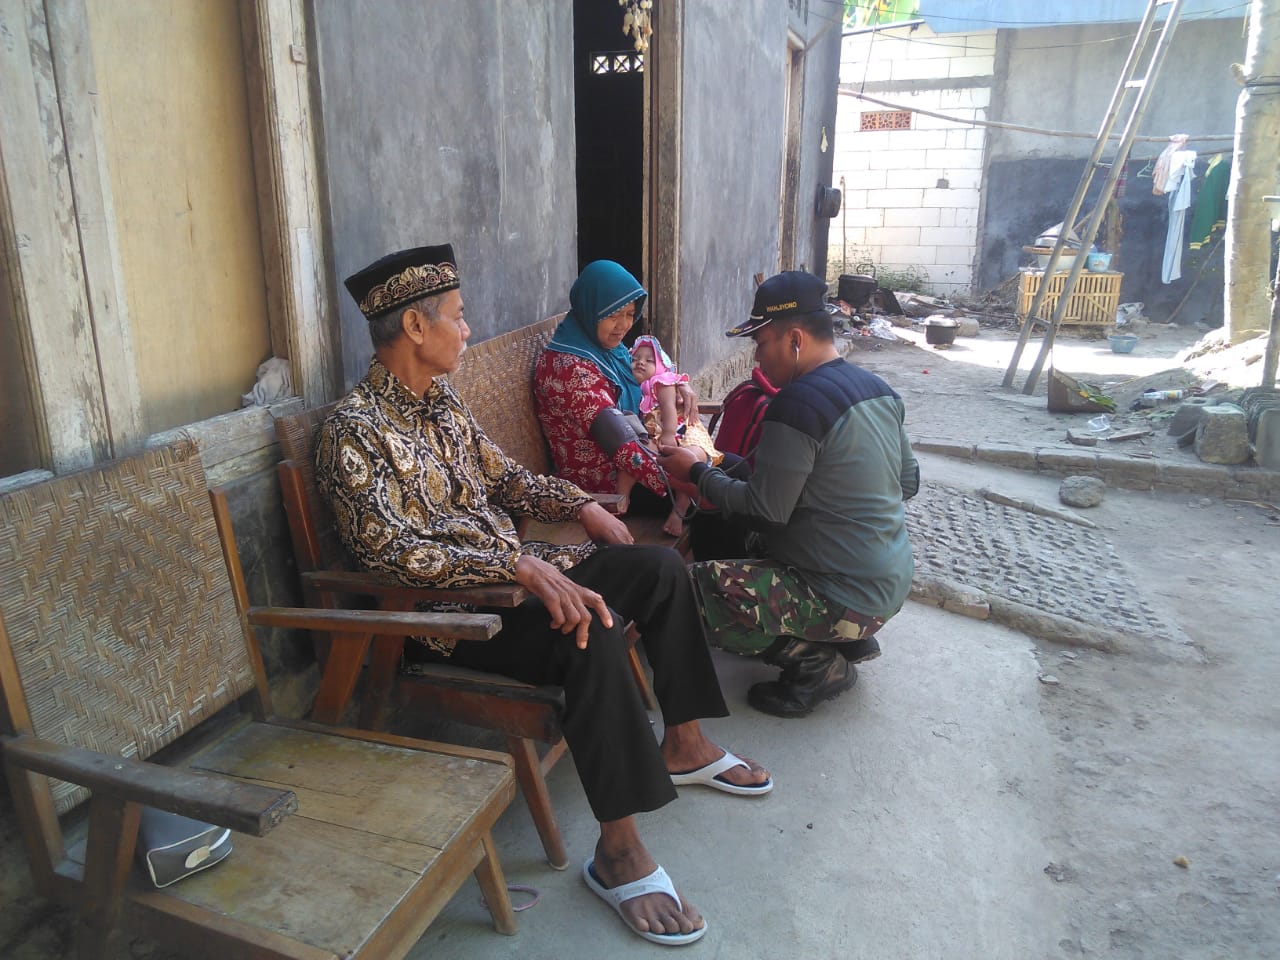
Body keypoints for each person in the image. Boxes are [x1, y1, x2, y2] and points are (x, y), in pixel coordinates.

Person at [315, 244, 771, 946]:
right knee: (590, 627)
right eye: (458, 317)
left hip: (524, 577)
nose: (467, 330)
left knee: (658, 570)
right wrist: (515, 565)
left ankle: (683, 742)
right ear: (414, 327)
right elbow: (391, 553)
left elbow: (506, 479)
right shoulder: (353, 432)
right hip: (457, 619)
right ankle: (618, 852)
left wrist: (578, 504)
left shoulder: (439, 404)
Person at [658, 270, 919, 719]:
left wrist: (697, 472)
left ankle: (818, 662)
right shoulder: (878, 390)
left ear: (795, 339)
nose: (757, 358)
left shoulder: (797, 403)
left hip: (845, 594)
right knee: (735, 518)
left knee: (688, 594)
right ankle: (845, 636)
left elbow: (765, 511)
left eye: (761, 344)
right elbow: (907, 483)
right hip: (889, 581)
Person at [533, 260, 696, 528]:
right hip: (605, 486)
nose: (623, 325)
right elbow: (622, 446)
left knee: (726, 472)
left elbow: (650, 372)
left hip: (636, 460)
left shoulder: (610, 349)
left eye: (630, 314)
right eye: (613, 315)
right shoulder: (568, 368)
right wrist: (689, 479)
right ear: (591, 310)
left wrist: (679, 384)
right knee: (715, 499)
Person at [625, 335, 721, 537]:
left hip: (683, 432)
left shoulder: (662, 383)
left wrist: (669, 434)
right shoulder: (635, 384)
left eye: (649, 360)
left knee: (690, 463)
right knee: (634, 455)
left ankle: (679, 512)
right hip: (656, 435)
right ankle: (621, 498)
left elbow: (669, 410)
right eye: (635, 359)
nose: (640, 363)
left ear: (661, 366)